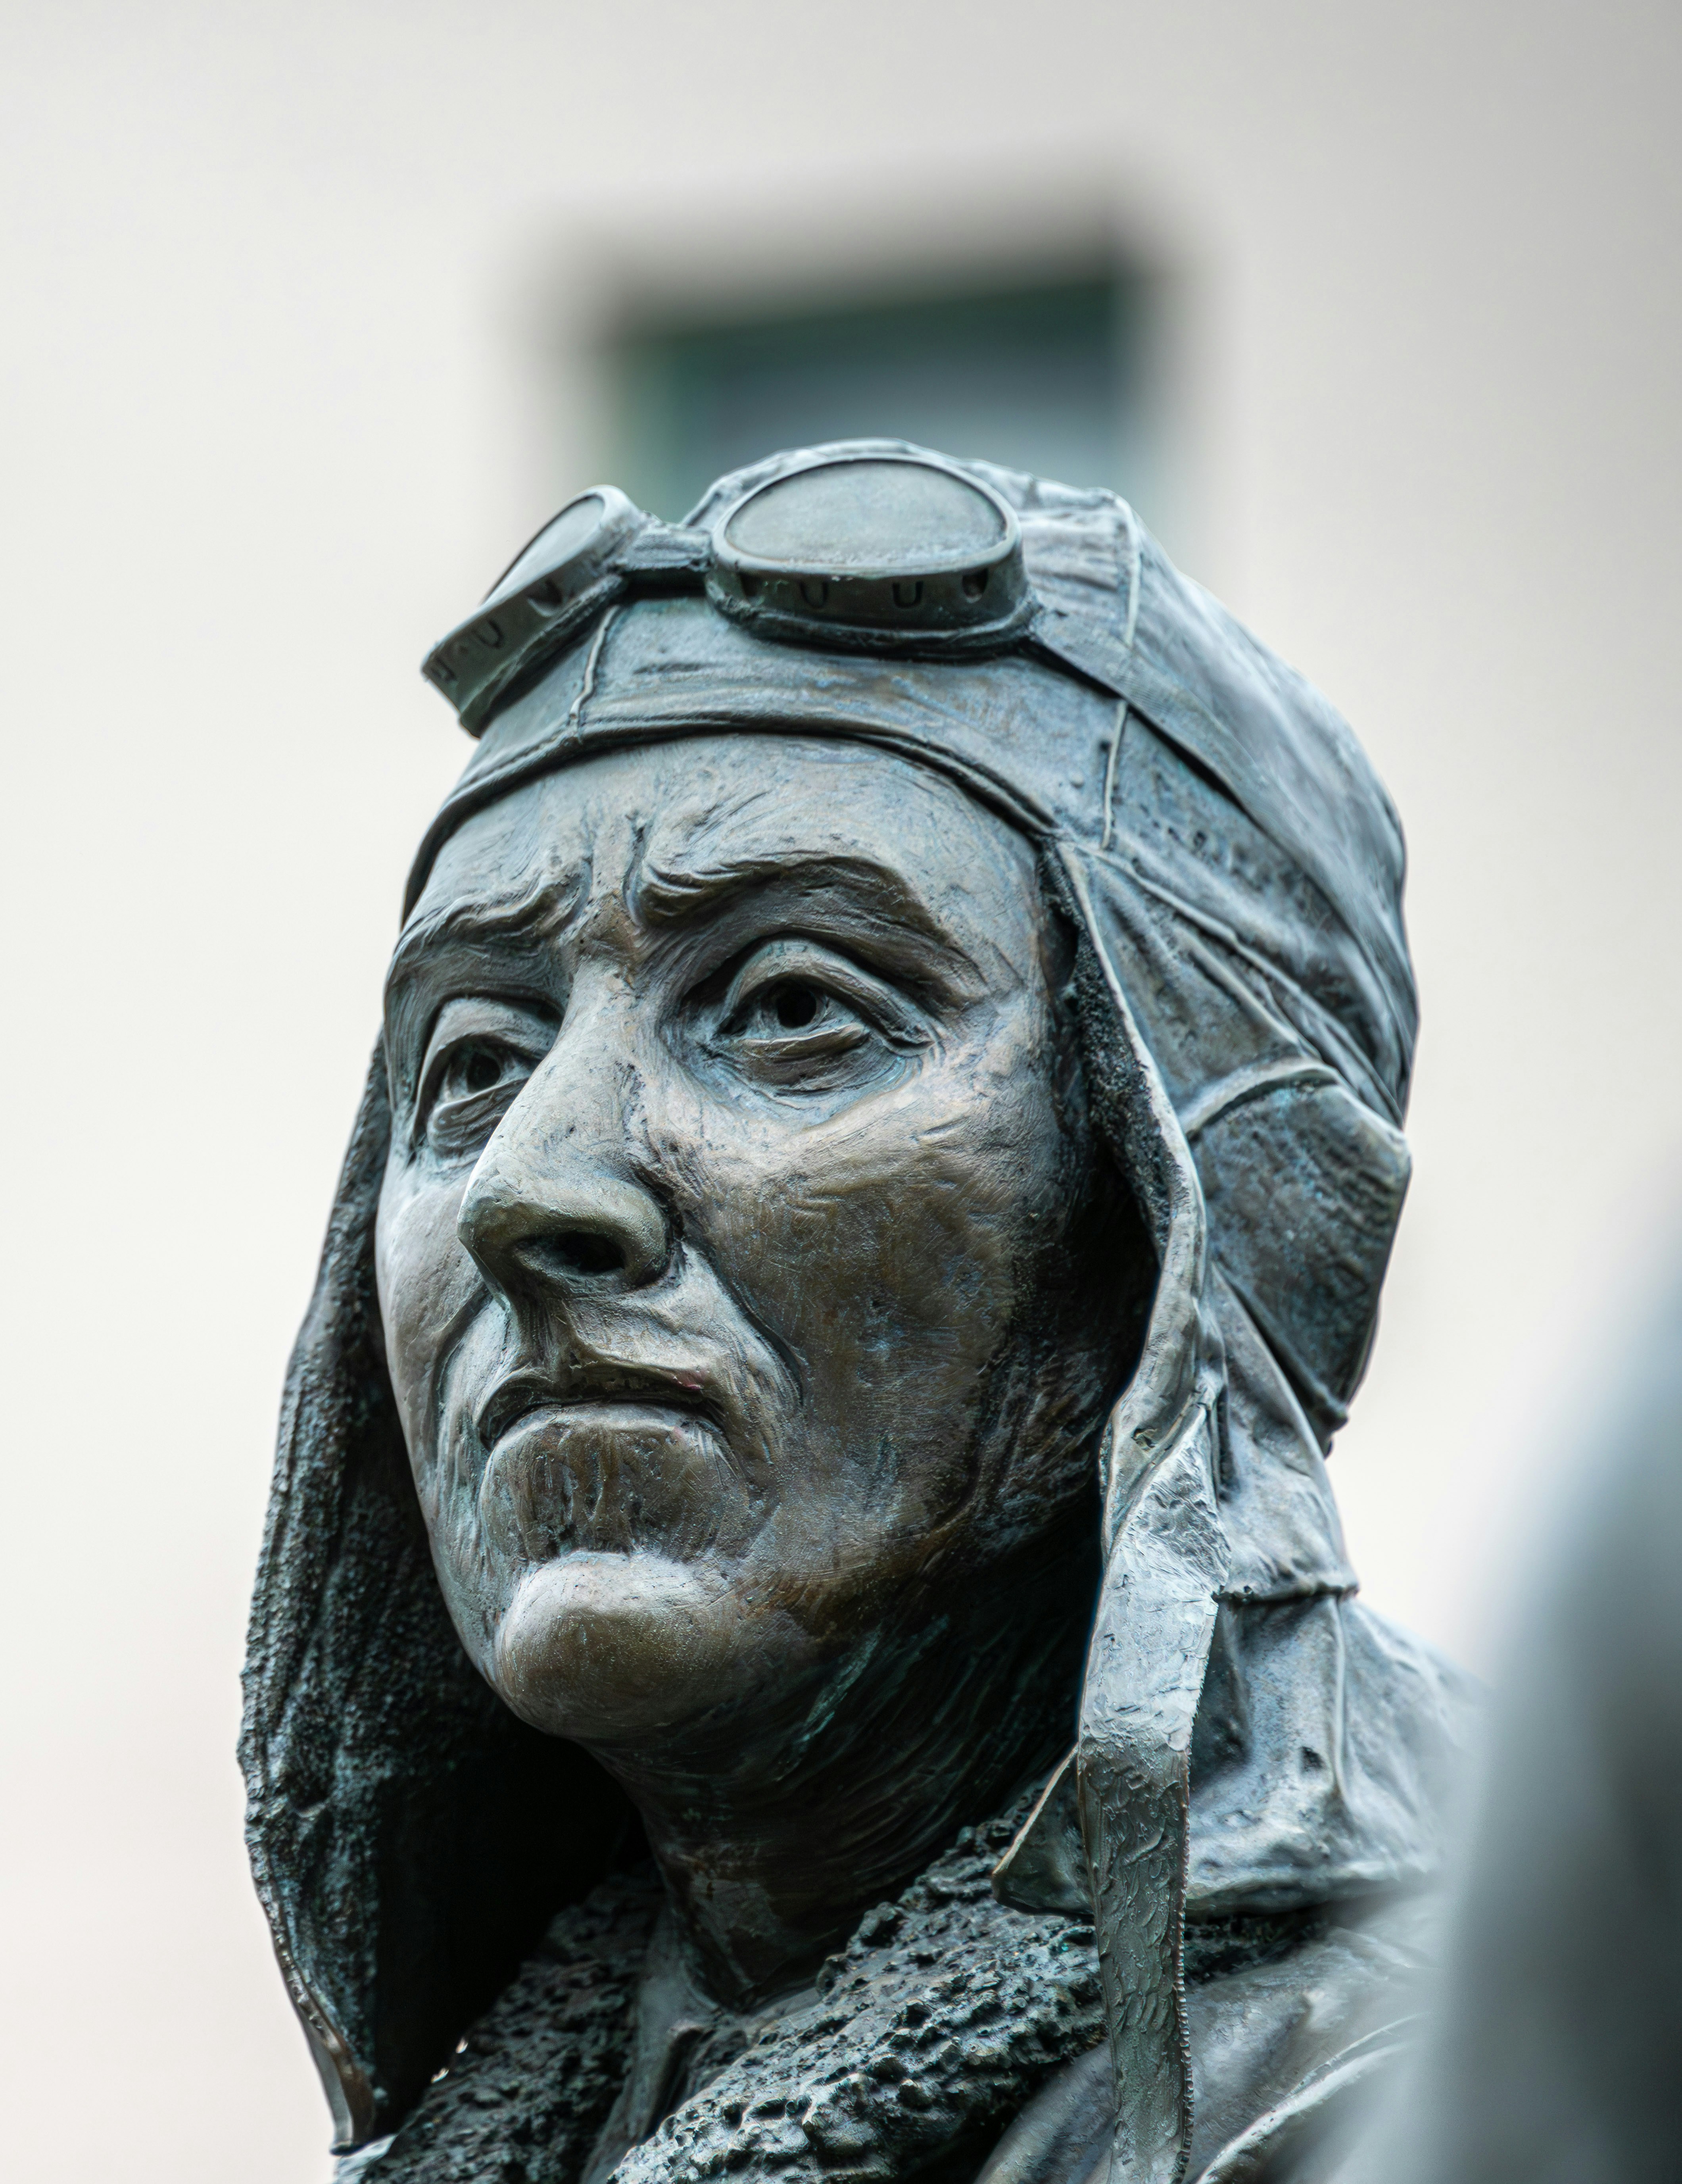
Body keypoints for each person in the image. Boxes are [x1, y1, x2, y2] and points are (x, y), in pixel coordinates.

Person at [240, 445, 1462, 2184]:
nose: (529, 1186)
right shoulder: (511, 2127)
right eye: (475, 1063)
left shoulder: (1477, 2101)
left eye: (794, 1006)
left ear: (1166, 1211)